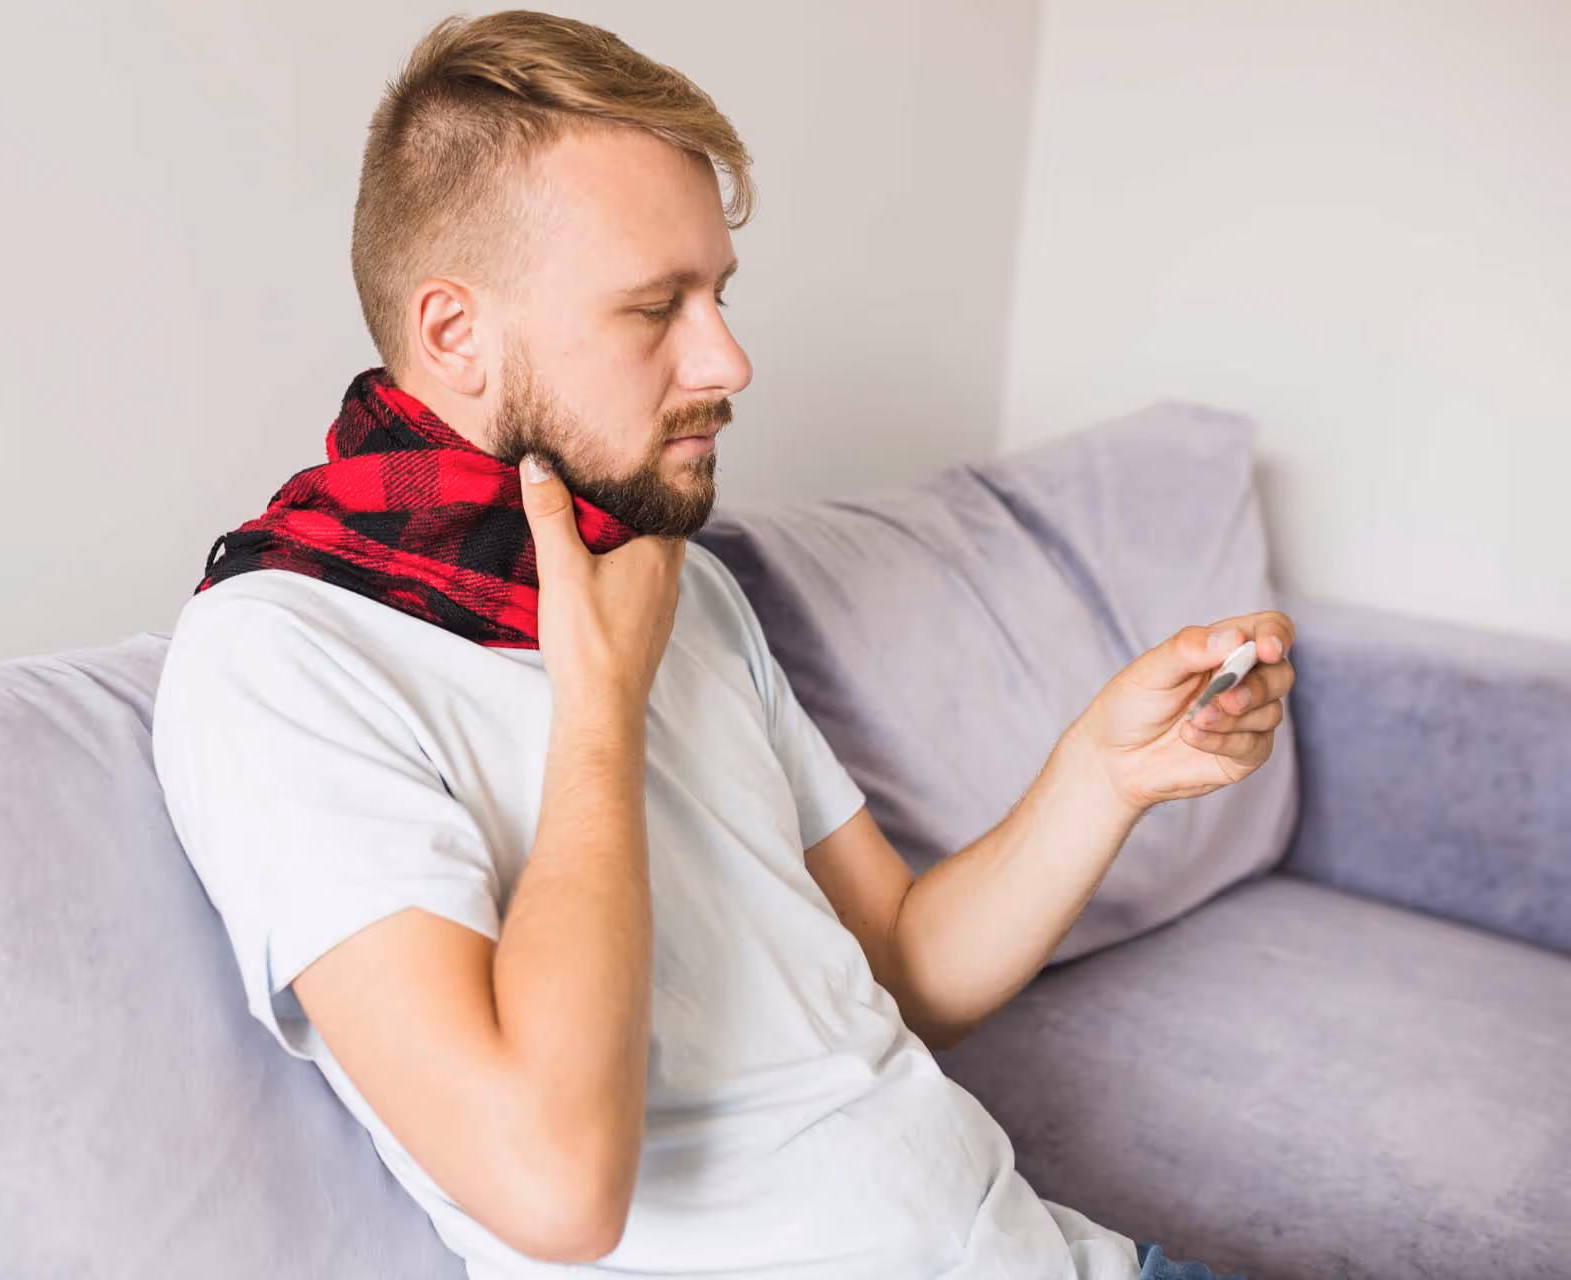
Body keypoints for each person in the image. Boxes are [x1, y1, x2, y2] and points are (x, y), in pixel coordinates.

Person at [151, 10, 1285, 1278]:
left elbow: (898, 971)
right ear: (455, 331)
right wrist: (598, 708)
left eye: (720, 295)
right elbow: (553, 1187)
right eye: (655, 309)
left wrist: (1106, 771)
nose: (730, 357)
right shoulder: (280, 657)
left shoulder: (661, 573)